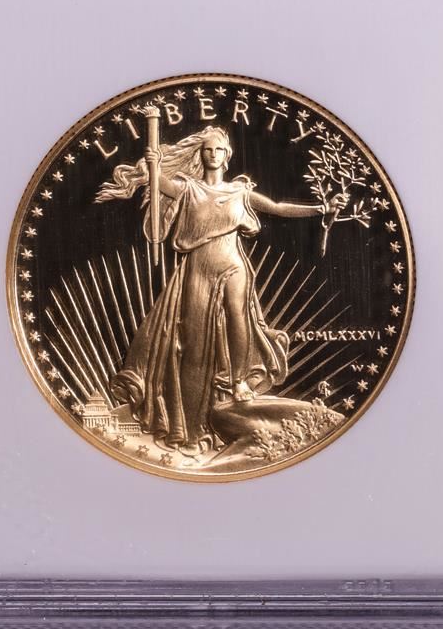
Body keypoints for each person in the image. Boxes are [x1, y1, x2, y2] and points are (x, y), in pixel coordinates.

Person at [95, 126, 336, 456]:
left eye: (218, 149)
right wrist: (152, 163)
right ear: (201, 153)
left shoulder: (240, 192)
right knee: (193, 339)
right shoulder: (188, 188)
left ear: (227, 155)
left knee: (238, 319)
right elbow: (161, 182)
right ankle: (191, 420)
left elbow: (279, 207)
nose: (212, 154)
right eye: (207, 149)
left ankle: (239, 382)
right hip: (198, 269)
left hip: (234, 265)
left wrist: (321, 209)